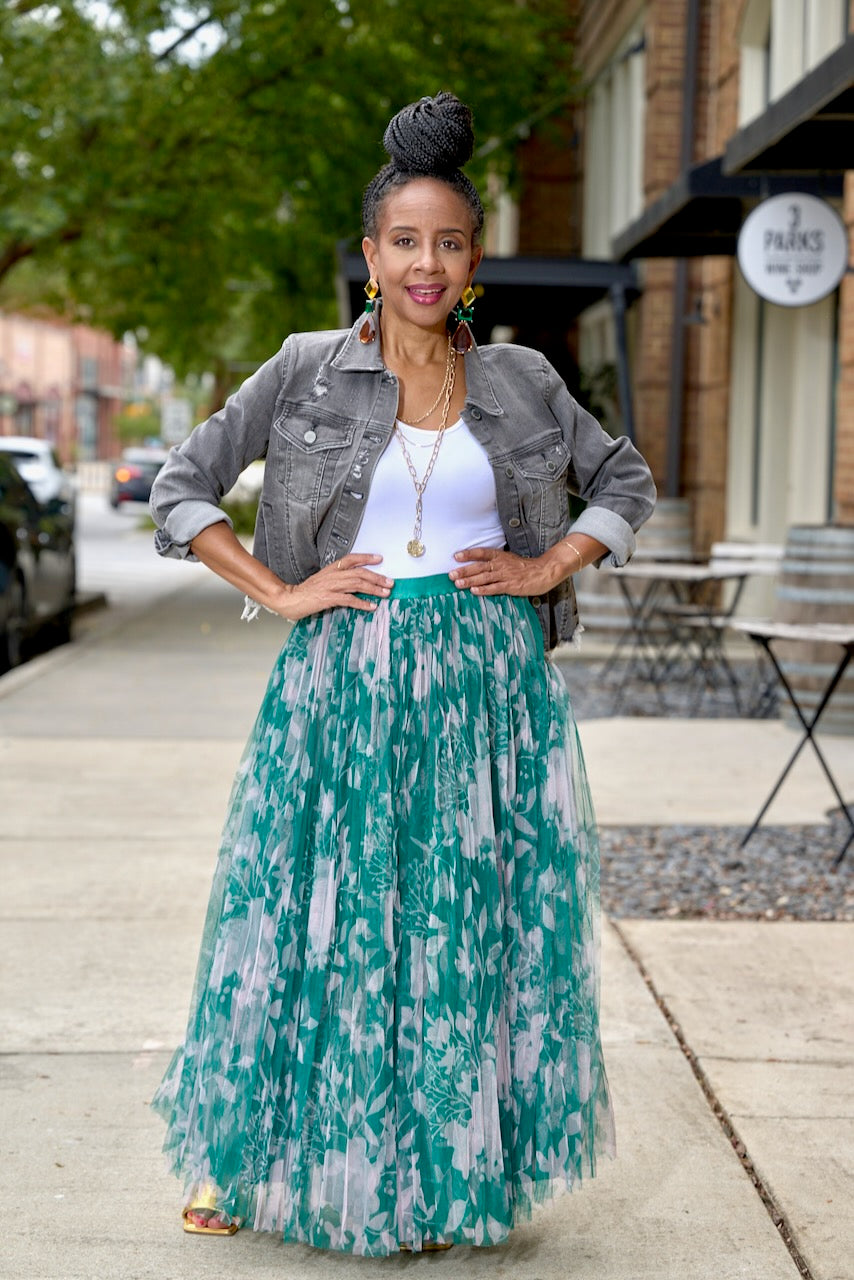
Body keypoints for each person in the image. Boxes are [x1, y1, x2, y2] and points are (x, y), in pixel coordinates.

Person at [149, 91, 656, 1257]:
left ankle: (439, 1174)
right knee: (312, 922)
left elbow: (623, 482)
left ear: (470, 257)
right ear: (370, 254)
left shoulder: (524, 378)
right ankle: (252, 1158)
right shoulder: (303, 371)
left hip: (487, 698)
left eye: (448, 240)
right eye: (403, 241)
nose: (425, 262)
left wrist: (548, 564)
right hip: (344, 687)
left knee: (455, 932)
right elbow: (181, 488)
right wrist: (277, 592)